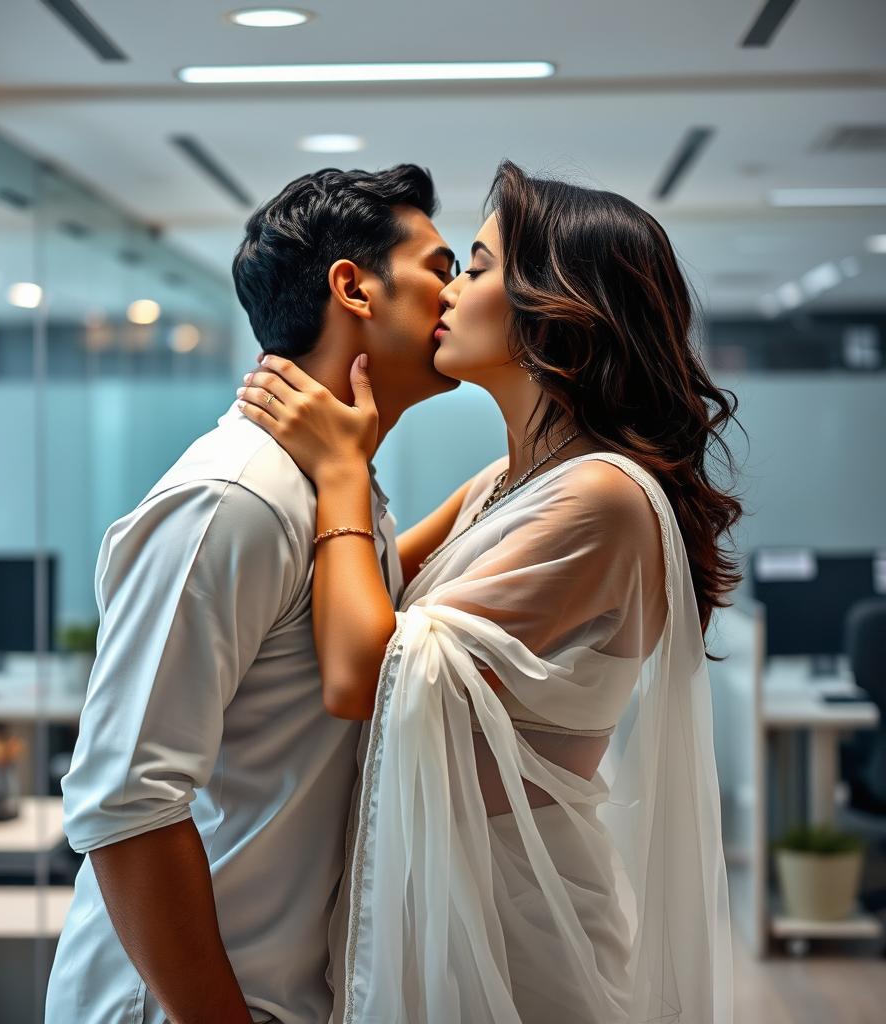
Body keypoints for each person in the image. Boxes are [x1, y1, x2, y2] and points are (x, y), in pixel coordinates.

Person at [238, 159, 740, 1023]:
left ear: (554, 305)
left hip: (516, 921)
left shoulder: (604, 496)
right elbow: (371, 579)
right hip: (459, 892)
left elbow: (362, 671)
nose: (449, 293)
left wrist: (341, 466)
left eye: (474, 266)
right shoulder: (506, 481)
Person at [44, 164, 459, 1024]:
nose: (456, 297)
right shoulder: (236, 495)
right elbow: (124, 803)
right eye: (441, 269)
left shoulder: (333, 489)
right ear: (354, 288)